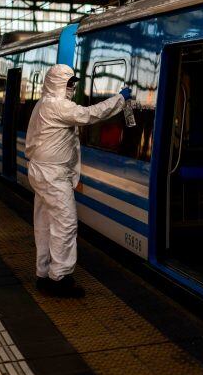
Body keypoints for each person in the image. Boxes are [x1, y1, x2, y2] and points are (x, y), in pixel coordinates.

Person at [25, 64, 131, 298]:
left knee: (44, 224)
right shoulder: (57, 106)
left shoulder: (42, 104)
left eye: (73, 83)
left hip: (41, 171)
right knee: (65, 224)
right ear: (57, 84)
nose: (73, 87)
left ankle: (43, 273)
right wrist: (119, 99)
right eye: (69, 83)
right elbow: (90, 114)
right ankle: (59, 278)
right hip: (53, 175)